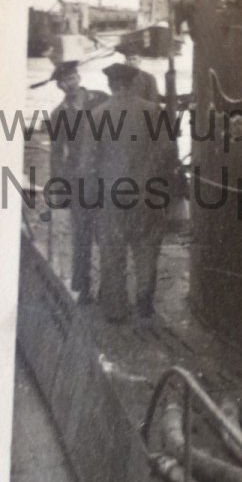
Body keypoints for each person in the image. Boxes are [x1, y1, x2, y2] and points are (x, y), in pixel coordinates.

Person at [95, 62, 173, 322]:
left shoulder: (97, 114)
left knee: (113, 251)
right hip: (147, 194)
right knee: (146, 249)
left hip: (111, 196)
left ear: (111, 85)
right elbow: (167, 151)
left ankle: (116, 310)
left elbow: (88, 162)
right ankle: (144, 304)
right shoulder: (153, 111)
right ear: (132, 83)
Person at [48, 60, 107, 305]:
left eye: (72, 78)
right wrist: (59, 188)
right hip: (77, 182)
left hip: (105, 177)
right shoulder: (58, 114)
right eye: (65, 81)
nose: (70, 84)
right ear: (59, 86)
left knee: (106, 235)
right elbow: (56, 154)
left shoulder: (101, 99)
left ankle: (108, 288)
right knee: (81, 236)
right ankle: (83, 288)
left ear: (79, 78)